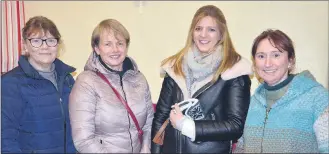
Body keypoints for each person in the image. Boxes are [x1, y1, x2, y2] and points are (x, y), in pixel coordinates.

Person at [151, 5, 253, 153]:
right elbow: (160, 118)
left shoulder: (234, 69)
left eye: (211, 30)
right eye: (198, 28)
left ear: (221, 34)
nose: (203, 35)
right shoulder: (174, 66)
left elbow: (236, 125)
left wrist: (188, 127)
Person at [234, 29, 329, 153]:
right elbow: (241, 148)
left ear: (290, 61)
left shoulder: (318, 97)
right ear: (254, 62)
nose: (267, 64)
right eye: (261, 56)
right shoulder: (252, 102)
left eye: (276, 55)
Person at [69, 19, 154, 153]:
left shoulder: (139, 79)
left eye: (120, 43)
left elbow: (149, 123)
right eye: (108, 44)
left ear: (126, 46)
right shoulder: (86, 82)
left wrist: (145, 148)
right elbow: (83, 139)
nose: (115, 49)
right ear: (97, 48)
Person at [1, 16, 76, 153]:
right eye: (36, 41)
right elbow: (5, 138)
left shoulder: (68, 80)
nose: (45, 46)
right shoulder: (10, 84)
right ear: (25, 45)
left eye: (51, 40)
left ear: (58, 45)